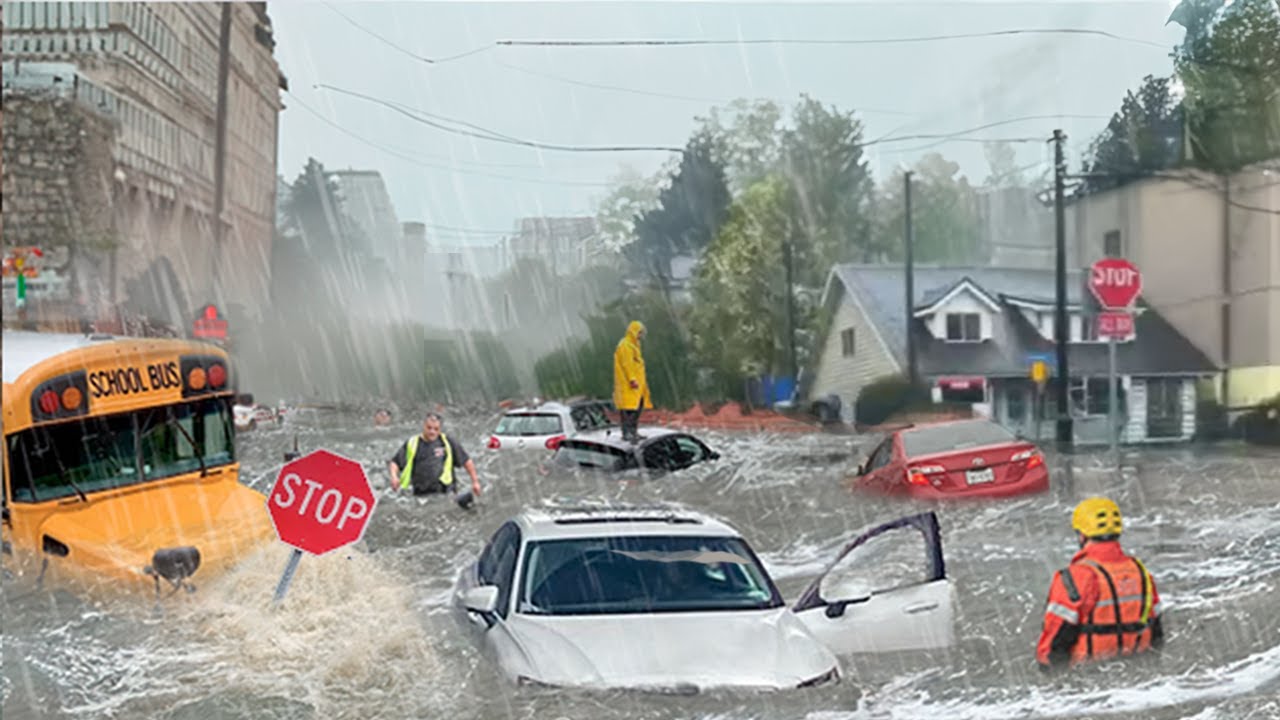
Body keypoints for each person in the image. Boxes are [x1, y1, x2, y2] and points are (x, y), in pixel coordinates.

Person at [1036, 497, 1164, 671]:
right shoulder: (1141, 572)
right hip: (1136, 673)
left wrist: (1049, 671)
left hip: (1089, 676)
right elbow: (1156, 633)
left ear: (1082, 535)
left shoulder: (1076, 576)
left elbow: (1057, 637)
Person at [388, 413, 482, 501]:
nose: (432, 432)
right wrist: (394, 477)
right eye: (429, 428)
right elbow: (395, 462)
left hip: (445, 492)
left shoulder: (447, 442)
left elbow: (466, 461)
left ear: (440, 429)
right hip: (421, 495)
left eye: (436, 429)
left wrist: (475, 482)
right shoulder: (412, 443)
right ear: (423, 426)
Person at [613, 320, 652, 443]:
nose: (640, 336)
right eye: (639, 333)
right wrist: (632, 379)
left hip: (637, 386)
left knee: (637, 408)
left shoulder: (634, 345)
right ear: (634, 332)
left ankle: (633, 432)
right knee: (628, 410)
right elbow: (627, 364)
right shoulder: (625, 345)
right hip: (629, 385)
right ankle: (627, 433)